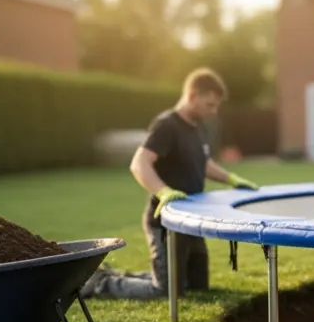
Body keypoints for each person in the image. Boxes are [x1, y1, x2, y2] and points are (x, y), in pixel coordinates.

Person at [81, 67, 257, 300]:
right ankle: (99, 283)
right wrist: (163, 192)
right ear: (193, 96)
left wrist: (232, 179)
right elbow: (139, 163)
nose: (214, 112)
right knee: (167, 291)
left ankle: (142, 275)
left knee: (196, 285)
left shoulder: (198, 127)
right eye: (210, 105)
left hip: (192, 220)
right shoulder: (167, 125)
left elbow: (203, 163)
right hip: (164, 221)